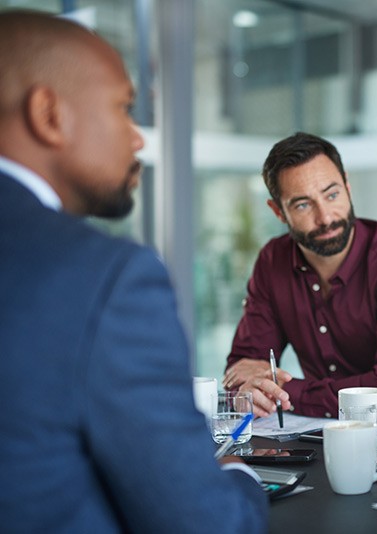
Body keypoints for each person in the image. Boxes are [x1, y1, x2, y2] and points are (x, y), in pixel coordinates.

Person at [0, 11, 267, 532]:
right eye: (124, 108)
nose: (138, 139)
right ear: (48, 114)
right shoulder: (103, 276)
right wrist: (238, 477)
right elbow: (207, 522)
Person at [223, 132, 377, 422]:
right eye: (303, 205)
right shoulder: (273, 261)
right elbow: (244, 368)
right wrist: (251, 391)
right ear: (278, 211)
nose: (326, 217)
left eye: (332, 195)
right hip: (321, 434)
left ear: (347, 186)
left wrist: (285, 391)